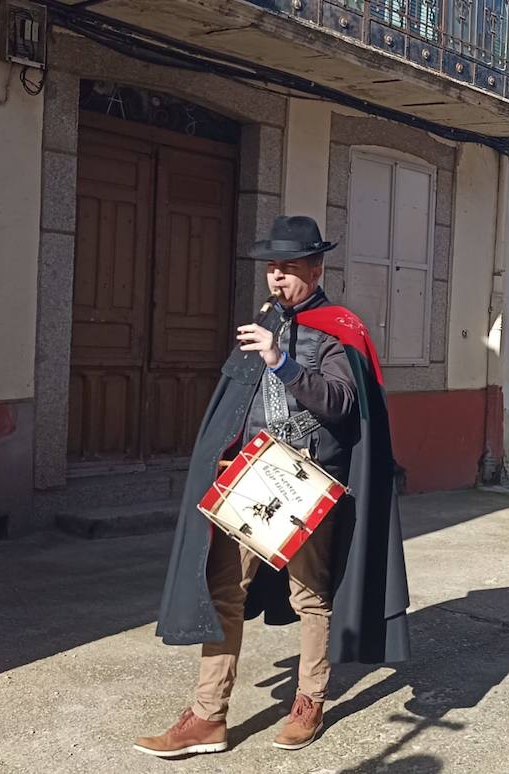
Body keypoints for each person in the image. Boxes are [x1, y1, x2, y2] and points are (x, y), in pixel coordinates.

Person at [136, 216, 409, 757]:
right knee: (222, 592)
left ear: (316, 268)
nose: (277, 278)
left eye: (288, 268)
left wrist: (281, 362)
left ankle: (310, 699)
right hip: (247, 479)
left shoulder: (340, 329)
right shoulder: (263, 321)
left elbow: (342, 406)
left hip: (306, 481)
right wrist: (222, 454)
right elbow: (234, 405)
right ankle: (208, 716)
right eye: (272, 268)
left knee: (310, 596)